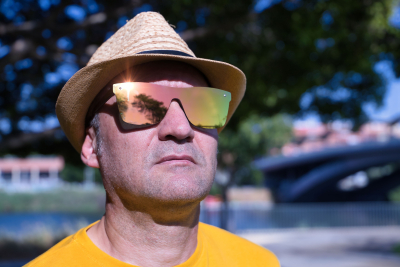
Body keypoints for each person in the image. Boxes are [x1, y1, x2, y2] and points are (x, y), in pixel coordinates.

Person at [25, 12, 280, 267]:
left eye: (203, 105)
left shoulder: (259, 262)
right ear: (92, 147)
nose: (181, 128)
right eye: (141, 104)